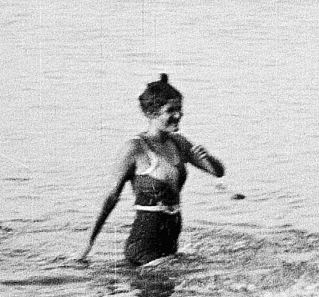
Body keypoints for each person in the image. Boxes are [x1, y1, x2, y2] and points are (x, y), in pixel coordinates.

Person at [79, 74, 226, 266]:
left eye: (180, 110)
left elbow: (218, 172)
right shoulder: (135, 149)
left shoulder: (180, 143)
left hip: (170, 243)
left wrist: (208, 158)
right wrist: (87, 244)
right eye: (171, 110)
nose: (178, 115)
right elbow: (110, 197)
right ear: (151, 113)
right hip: (144, 245)